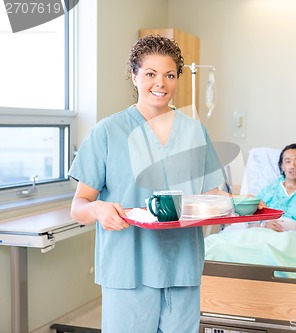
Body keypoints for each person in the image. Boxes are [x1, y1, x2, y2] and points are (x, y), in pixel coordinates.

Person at [68, 35, 229, 333]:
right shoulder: (107, 132)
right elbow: (79, 207)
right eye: (150, 74)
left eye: (169, 75)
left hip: (181, 267)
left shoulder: (194, 132)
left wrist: (242, 202)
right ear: (134, 76)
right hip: (129, 267)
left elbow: (212, 193)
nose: (161, 83)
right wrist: (100, 210)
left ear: (178, 78)